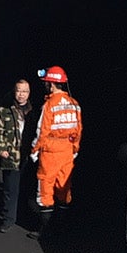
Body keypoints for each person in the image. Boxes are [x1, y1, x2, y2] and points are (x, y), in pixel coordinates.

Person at [30, 65, 83, 236]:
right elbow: (78, 130)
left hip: (50, 151)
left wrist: (34, 150)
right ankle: (62, 227)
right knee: (64, 188)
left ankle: (44, 229)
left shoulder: (49, 105)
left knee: (45, 188)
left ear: (51, 84)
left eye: (46, 83)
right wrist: (74, 149)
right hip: (67, 151)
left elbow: (42, 131)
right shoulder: (74, 104)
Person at [0, 79, 32, 231]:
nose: (21, 95)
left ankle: (24, 215)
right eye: (19, 91)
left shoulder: (32, 110)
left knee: (26, 187)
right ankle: (8, 219)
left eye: (25, 91)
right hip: (11, 156)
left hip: (28, 155)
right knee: (10, 189)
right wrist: (0, 148)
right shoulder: (4, 108)